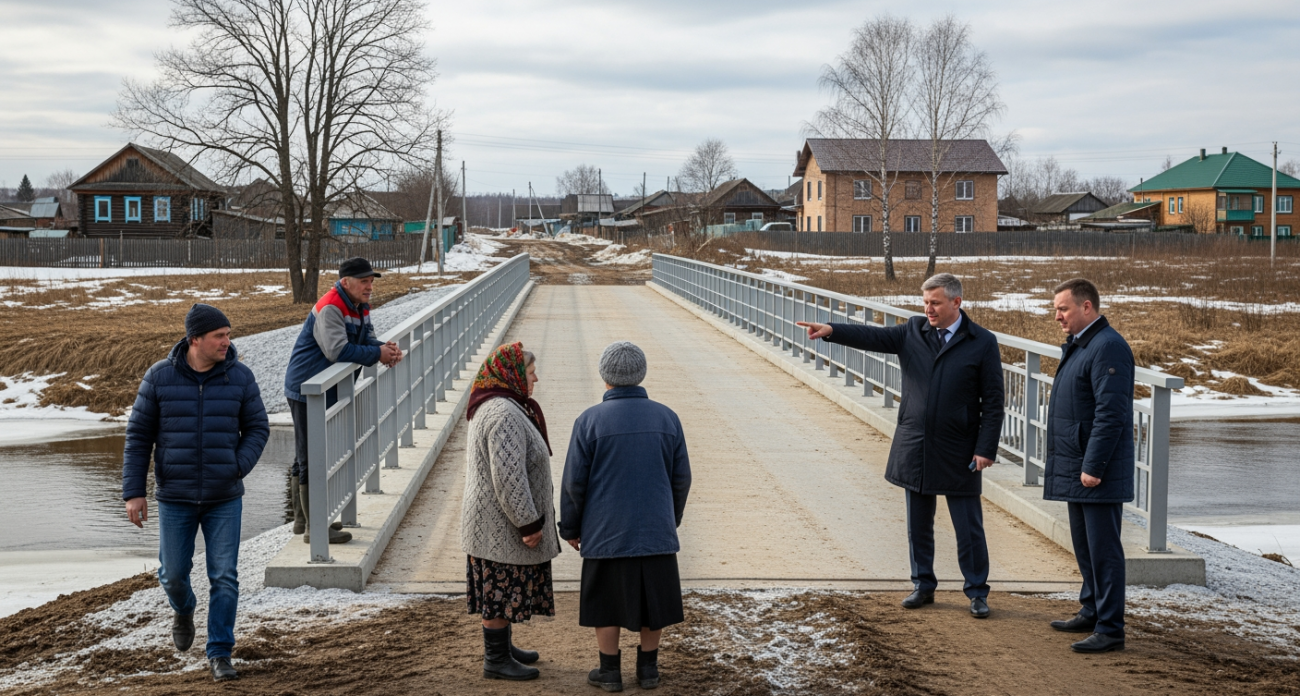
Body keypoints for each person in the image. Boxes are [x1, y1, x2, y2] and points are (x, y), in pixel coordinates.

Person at [797, 273, 1005, 619]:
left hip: (960, 448)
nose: (928, 309)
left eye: (935, 302)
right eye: (925, 302)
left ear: (957, 302)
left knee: (968, 527)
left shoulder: (981, 341)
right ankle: (923, 585)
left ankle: (977, 592)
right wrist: (832, 330)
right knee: (918, 523)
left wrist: (985, 448)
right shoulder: (913, 331)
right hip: (917, 444)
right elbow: (873, 336)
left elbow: (994, 401)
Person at [122, 303, 269, 682]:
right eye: (219, 336)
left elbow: (257, 429)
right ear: (195, 340)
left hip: (224, 495)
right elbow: (138, 438)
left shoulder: (240, 377)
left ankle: (220, 652)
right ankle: (184, 607)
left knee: (224, 576)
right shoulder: (158, 378)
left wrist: (238, 466)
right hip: (175, 495)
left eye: (228, 334)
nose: (227, 342)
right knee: (172, 573)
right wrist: (134, 492)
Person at [560, 341, 692, 692]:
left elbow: (574, 480)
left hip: (605, 532)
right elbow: (682, 478)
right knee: (655, 602)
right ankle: (648, 670)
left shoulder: (589, 420)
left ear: (606, 377)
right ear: (640, 375)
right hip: (656, 530)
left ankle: (609, 672)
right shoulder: (668, 417)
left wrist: (571, 526)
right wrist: (670, 517)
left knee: (606, 602)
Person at [283, 257, 403, 545]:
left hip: (323, 387)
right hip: (307, 388)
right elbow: (337, 350)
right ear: (346, 282)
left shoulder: (359, 306)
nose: (369, 286)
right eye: (364, 281)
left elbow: (366, 340)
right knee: (311, 454)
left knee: (312, 453)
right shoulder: (331, 307)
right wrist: (377, 355)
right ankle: (314, 529)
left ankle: (304, 521)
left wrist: (384, 348)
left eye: (371, 281)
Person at [460, 342, 560, 682]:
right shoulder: (503, 414)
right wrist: (528, 523)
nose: (536, 379)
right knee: (498, 589)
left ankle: (504, 647)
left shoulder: (501, 404)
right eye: (531, 373)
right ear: (513, 375)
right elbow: (509, 478)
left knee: (500, 589)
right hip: (499, 524)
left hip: (491, 521)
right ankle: (497, 659)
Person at [1044, 278, 1134, 654]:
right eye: (1055, 310)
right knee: (1085, 546)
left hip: (1096, 470)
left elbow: (1111, 414)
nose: (1058, 317)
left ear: (1087, 307)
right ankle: (1092, 609)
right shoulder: (1083, 344)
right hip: (1077, 465)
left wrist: (1094, 465)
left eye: (1063, 309)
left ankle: (1110, 628)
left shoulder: (1107, 347)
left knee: (1103, 551)